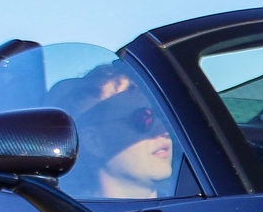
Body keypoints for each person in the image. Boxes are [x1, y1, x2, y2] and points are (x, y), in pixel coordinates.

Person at [55, 65, 176, 199]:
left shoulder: (189, 206)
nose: (163, 129)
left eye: (161, 114)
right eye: (144, 117)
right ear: (94, 141)